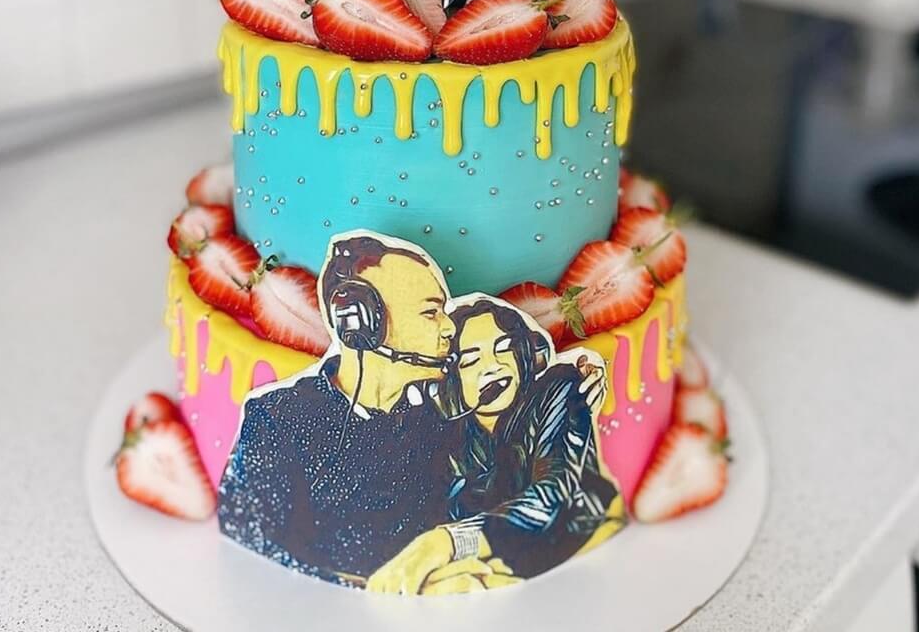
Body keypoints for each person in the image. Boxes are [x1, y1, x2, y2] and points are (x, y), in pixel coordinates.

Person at [217, 233, 466, 586]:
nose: (450, 327)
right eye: (431, 312)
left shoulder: (438, 423)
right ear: (361, 323)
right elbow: (252, 538)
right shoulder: (277, 421)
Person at [367, 297, 624, 593]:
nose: (493, 367)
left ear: (526, 357)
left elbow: (552, 495)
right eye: (470, 361)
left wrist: (448, 542)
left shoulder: (558, 389)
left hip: (582, 562)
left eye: (505, 349)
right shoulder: (446, 436)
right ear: (448, 382)